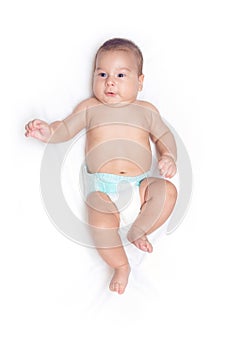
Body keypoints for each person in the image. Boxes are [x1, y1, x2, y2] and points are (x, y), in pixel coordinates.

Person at [25, 38, 177, 294]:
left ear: (140, 82)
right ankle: (121, 265)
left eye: (120, 74)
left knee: (168, 192)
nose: (110, 81)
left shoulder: (146, 110)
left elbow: (164, 136)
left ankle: (139, 230)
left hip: (141, 186)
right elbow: (66, 128)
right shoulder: (90, 108)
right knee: (102, 225)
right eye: (102, 73)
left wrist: (168, 155)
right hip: (102, 191)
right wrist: (49, 131)